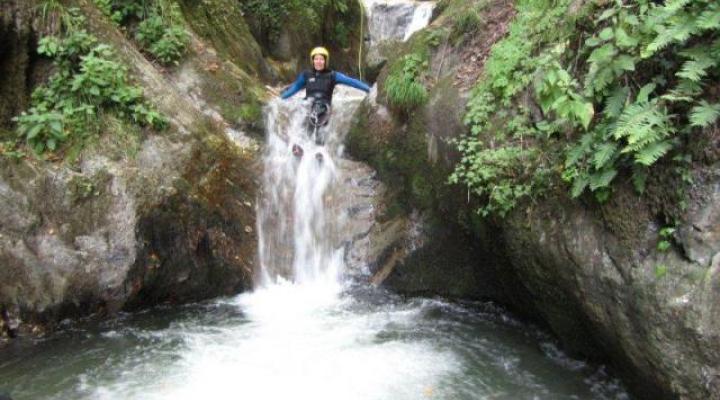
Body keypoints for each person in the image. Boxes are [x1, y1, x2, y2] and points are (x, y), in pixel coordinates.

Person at [281, 46, 371, 150]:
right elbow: (295, 88)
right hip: (308, 104)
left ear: (325, 61)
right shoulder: (306, 75)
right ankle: (302, 146)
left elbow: (352, 82)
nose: (319, 62)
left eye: (321, 59)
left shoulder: (333, 75)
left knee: (318, 112)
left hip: (323, 106)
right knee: (304, 110)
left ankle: (319, 149)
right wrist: (282, 98)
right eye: (316, 59)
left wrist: (368, 89)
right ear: (313, 61)